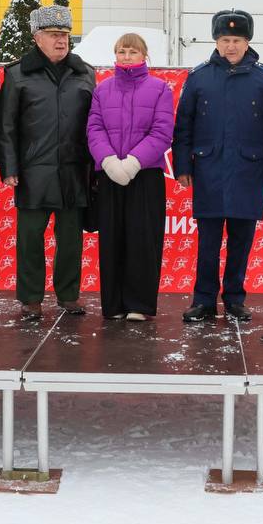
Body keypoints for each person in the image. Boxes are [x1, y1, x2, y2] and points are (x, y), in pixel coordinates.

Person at [172, 9, 263, 323]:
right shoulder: (199, 77)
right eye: (225, 39)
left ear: (247, 41)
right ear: (216, 41)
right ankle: (203, 301)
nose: (230, 46)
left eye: (236, 40)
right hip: (209, 172)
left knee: (241, 242)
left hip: (248, 172)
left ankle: (235, 299)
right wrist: (182, 165)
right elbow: (183, 126)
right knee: (207, 244)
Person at [0, 5, 96, 319]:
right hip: (32, 172)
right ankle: (31, 299)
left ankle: (68, 295)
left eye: (65, 35)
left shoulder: (85, 72)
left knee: (70, 238)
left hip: (74, 169)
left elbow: (94, 122)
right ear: (37, 37)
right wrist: (10, 168)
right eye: (54, 35)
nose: (61, 41)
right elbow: (6, 125)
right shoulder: (17, 74)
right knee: (30, 239)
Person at [86, 32, 174, 321]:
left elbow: (162, 132)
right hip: (110, 175)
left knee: (143, 239)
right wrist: (110, 161)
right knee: (113, 239)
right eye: (122, 51)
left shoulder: (160, 89)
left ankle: (139, 304)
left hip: (145, 175)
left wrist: (134, 162)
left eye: (132, 52)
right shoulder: (103, 90)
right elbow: (94, 129)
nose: (126, 57)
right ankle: (114, 305)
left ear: (144, 56)